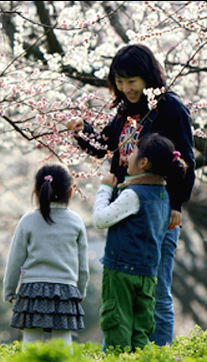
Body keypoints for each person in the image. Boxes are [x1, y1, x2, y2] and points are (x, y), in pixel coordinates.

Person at [66, 43, 195, 346]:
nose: (125, 88)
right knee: (124, 281)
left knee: (156, 287)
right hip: (124, 207)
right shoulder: (125, 110)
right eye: (119, 82)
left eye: (131, 81)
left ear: (147, 76)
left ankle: (158, 353)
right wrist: (82, 130)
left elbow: (186, 159)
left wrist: (176, 204)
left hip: (156, 211)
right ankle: (128, 353)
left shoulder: (170, 107)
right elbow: (105, 146)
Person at [94, 133, 188, 351]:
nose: (128, 156)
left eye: (134, 151)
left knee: (117, 324)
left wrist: (105, 189)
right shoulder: (164, 194)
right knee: (141, 330)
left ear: (144, 162)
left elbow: (101, 219)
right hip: (147, 274)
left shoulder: (133, 194)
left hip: (121, 272)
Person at [3, 163, 89, 349]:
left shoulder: (28, 220)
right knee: (63, 343)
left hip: (32, 290)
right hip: (65, 291)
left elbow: (15, 259)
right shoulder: (76, 221)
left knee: (30, 343)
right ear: (70, 193)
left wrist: (9, 289)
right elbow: (83, 264)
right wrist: (80, 291)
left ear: (36, 190)